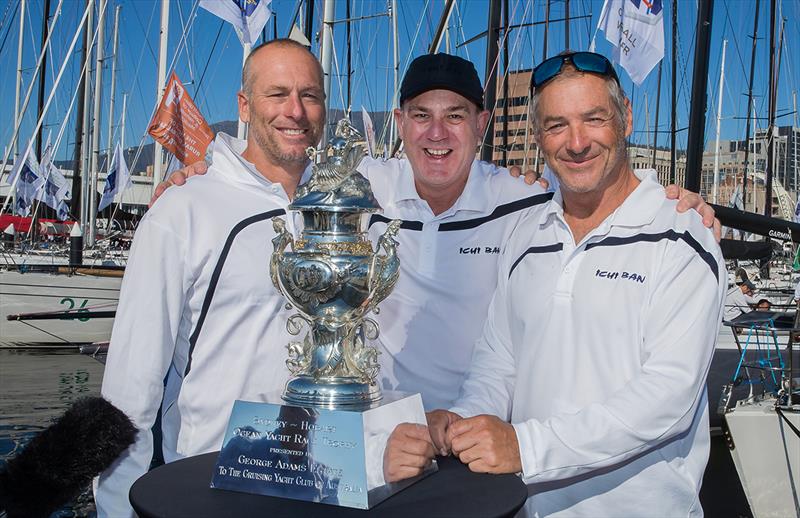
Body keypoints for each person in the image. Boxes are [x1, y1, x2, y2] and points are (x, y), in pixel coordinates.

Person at [142, 50, 717, 489]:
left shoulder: (526, 206)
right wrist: (200, 183)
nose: (437, 133)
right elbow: (276, 164)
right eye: (421, 116)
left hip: (486, 461)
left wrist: (684, 205)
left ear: (483, 123)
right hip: (369, 453)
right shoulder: (360, 190)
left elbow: (664, 389)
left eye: (455, 116)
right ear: (399, 121)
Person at [416, 51, 726, 517]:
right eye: (557, 125)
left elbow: (669, 396)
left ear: (626, 119)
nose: (576, 142)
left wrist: (527, 447)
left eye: (593, 119)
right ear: (539, 137)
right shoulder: (525, 233)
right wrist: (464, 422)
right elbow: (499, 361)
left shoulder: (681, 234)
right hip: (523, 506)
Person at [94, 39, 327, 516]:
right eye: (277, 93)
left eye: (310, 95)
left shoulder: (343, 207)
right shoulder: (183, 209)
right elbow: (132, 387)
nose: (295, 111)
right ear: (244, 105)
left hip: (327, 478)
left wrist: (523, 181)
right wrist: (117, 508)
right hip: (213, 485)